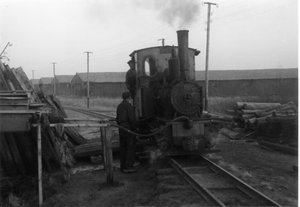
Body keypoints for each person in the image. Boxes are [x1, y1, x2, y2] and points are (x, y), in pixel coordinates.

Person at [116, 91, 137, 173]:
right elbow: (132, 119)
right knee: (130, 147)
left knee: (123, 147)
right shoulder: (129, 106)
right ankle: (129, 167)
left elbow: (117, 119)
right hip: (128, 128)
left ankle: (123, 166)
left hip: (121, 128)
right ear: (129, 98)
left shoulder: (119, 106)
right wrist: (134, 129)